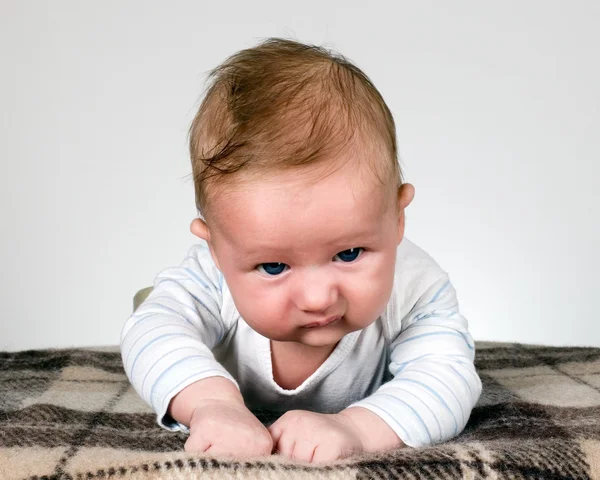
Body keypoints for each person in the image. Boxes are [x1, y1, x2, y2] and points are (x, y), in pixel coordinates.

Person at [120, 37, 482, 463]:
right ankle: (157, 297)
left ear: (397, 218)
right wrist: (210, 405)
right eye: (273, 266)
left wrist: (356, 428)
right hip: (219, 364)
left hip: (354, 409)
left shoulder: (416, 285)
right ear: (217, 252)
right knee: (152, 316)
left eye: (349, 254)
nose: (318, 298)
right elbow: (152, 333)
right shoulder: (209, 276)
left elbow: (447, 377)